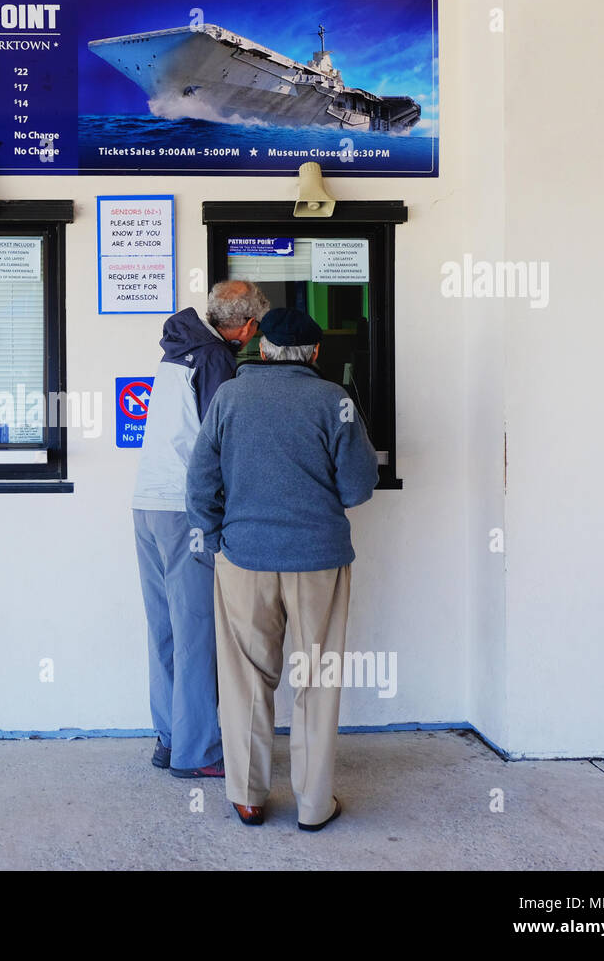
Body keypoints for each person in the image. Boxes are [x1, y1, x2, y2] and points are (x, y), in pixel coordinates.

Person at [185, 307, 379, 829]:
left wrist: (215, 540)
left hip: (244, 556)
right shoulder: (333, 399)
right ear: (315, 354)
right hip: (319, 559)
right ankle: (314, 806)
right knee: (318, 678)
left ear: (262, 349)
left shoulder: (229, 397)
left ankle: (248, 797)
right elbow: (359, 487)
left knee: (247, 678)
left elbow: (200, 482)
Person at [132, 280, 268, 778]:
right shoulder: (214, 360)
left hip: (147, 504)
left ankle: (170, 739)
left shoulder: (179, 351)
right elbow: (219, 443)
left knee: (165, 630)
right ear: (248, 326)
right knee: (197, 633)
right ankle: (200, 753)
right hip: (183, 510)